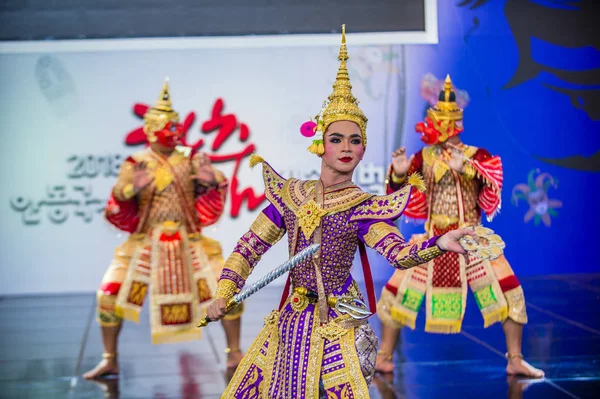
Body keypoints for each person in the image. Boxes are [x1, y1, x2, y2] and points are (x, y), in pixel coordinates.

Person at [205, 26, 474, 398]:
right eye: (336, 139)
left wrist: (440, 241)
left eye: (355, 140)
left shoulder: (362, 208)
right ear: (320, 146)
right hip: (294, 317)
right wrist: (225, 291)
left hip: (340, 319)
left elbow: (399, 253)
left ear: (363, 151)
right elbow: (249, 246)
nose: (346, 147)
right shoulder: (291, 195)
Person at [375, 75, 544, 379]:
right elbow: (401, 194)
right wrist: (399, 175)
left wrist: (464, 167)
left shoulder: (476, 156)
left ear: (451, 122)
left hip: (471, 239)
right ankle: (384, 357)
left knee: (509, 294)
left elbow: (493, 181)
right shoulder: (423, 157)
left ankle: (515, 359)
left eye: (437, 119)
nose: (431, 125)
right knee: (395, 295)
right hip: (431, 241)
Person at [83, 80, 243, 379]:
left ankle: (234, 352)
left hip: (189, 241)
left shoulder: (191, 158)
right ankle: (110, 358)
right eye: (169, 126)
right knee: (107, 294)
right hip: (145, 242)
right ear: (151, 129)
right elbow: (118, 193)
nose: (175, 131)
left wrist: (211, 180)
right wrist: (132, 188)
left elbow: (214, 179)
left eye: (177, 126)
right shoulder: (137, 162)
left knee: (227, 289)